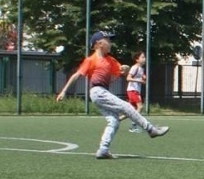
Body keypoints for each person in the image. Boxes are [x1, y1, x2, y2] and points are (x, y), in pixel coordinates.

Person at [56, 30, 169, 159]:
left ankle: (103, 149)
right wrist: (64, 91)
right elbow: (77, 75)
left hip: (102, 92)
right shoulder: (91, 60)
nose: (110, 43)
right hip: (97, 92)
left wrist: (125, 70)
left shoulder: (110, 60)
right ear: (99, 44)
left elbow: (122, 72)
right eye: (108, 40)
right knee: (127, 107)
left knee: (114, 121)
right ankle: (151, 129)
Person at [125, 52, 149, 133]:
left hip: (136, 90)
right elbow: (128, 78)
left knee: (131, 110)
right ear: (137, 59)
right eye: (142, 57)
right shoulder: (134, 67)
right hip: (132, 90)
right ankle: (133, 126)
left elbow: (142, 80)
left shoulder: (142, 69)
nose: (144, 59)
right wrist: (139, 80)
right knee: (140, 107)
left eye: (144, 57)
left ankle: (117, 120)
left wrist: (144, 79)